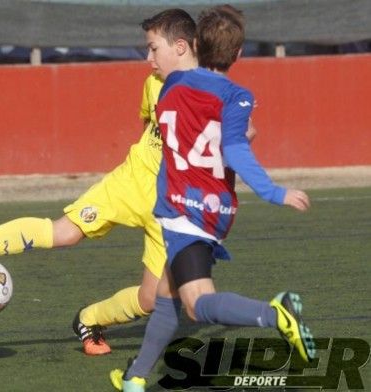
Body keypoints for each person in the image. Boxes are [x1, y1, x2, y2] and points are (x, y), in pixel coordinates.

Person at [0, 9, 200, 356]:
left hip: (170, 210)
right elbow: (148, 129)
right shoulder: (153, 85)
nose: (148, 57)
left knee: (151, 298)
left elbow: (234, 136)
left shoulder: (212, 91)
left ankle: (89, 320)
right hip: (128, 184)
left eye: (153, 48)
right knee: (65, 232)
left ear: (180, 46)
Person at [110, 5, 316, 392]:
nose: (150, 58)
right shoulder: (237, 96)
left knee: (196, 304)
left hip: (184, 212)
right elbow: (236, 145)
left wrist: (275, 192)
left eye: (153, 49)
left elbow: (232, 146)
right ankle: (135, 377)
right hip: (214, 212)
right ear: (239, 55)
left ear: (194, 46)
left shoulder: (172, 87)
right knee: (166, 297)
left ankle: (275, 313)